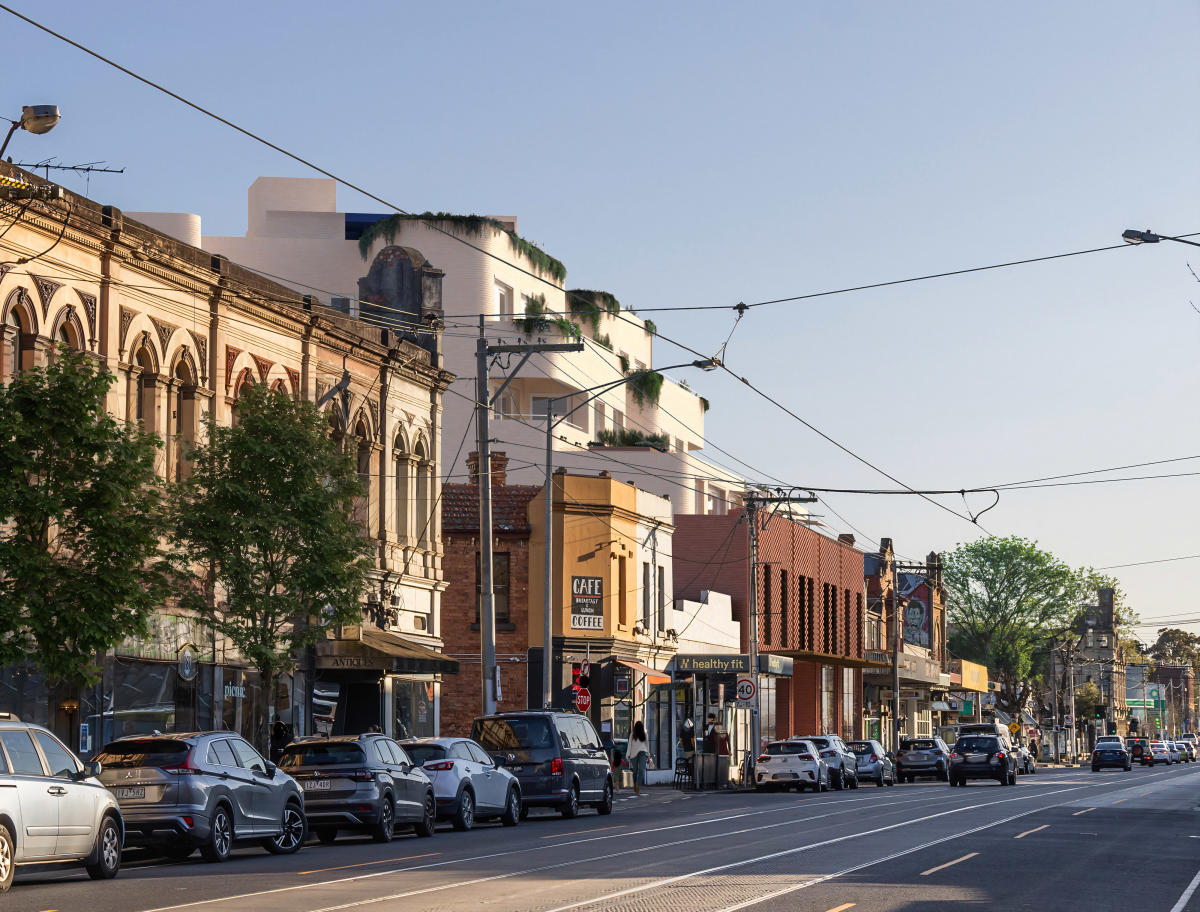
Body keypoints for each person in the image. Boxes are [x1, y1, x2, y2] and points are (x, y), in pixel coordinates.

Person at [628, 721, 650, 797]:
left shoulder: (645, 734)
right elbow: (629, 745)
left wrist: (648, 755)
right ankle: (635, 784)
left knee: (641, 770)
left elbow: (647, 745)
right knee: (635, 771)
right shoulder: (632, 735)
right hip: (634, 754)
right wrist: (628, 755)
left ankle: (638, 786)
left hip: (642, 753)